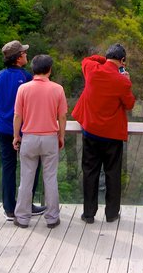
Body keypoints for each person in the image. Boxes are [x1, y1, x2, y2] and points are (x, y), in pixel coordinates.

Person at [72, 44, 136, 224]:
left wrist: (105, 59)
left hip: (91, 131)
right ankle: (111, 214)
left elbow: (87, 59)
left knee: (90, 172)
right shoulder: (122, 81)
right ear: (123, 61)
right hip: (112, 135)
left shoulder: (92, 70)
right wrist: (126, 78)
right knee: (113, 174)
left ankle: (89, 214)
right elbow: (129, 104)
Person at [0, 40, 45, 221]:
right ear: (18, 58)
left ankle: (9, 208)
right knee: (31, 167)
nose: (26, 56)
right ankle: (26, 204)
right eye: (24, 53)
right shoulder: (27, 77)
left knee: (8, 167)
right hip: (25, 128)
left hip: (4, 128)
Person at [13, 55, 67, 228]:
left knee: (26, 179)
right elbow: (62, 116)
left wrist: (16, 136)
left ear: (33, 69)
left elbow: (17, 116)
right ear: (50, 70)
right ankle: (52, 218)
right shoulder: (57, 89)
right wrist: (61, 136)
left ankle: (22, 217)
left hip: (29, 137)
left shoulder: (23, 89)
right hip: (50, 136)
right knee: (50, 178)